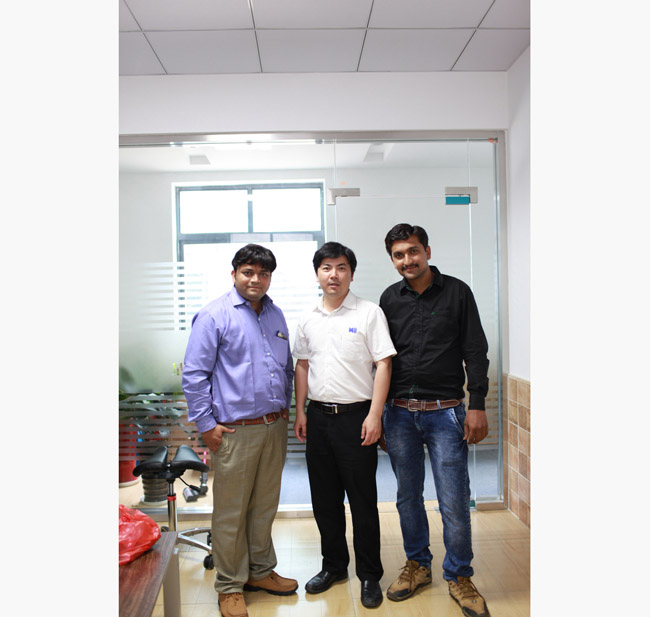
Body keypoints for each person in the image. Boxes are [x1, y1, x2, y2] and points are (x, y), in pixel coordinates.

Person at [379, 224, 491, 617]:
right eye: (398, 255)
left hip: (446, 412)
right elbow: (382, 360)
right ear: (392, 260)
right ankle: (418, 565)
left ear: (427, 251)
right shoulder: (389, 299)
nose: (407, 260)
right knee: (407, 497)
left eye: (412, 251)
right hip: (398, 414)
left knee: (454, 500)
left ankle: (459, 574)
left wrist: (477, 404)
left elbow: (475, 350)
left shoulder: (458, 292)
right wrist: (379, 413)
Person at [182, 244, 297, 617]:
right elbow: (194, 375)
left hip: (272, 426)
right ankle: (230, 585)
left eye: (264, 273)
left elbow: (285, 367)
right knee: (231, 512)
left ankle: (260, 572)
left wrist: (286, 407)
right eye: (248, 272)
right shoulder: (214, 316)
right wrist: (207, 425)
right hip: (234, 431)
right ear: (234, 274)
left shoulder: (276, 314)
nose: (256, 279)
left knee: (264, 506)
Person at [292, 242, 396, 609]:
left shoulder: (369, 313)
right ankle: (334, 566)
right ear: (317, 274)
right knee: (325, 501)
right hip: (319, 418)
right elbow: (302, 365)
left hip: (357, 418)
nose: (333, 275)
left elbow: (384, 363)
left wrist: (375, 414)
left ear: (351, 274)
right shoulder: (307, 317)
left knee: (363, 501)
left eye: (340, 268)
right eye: (326, 268)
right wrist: (300, 411)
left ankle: (369, 574)